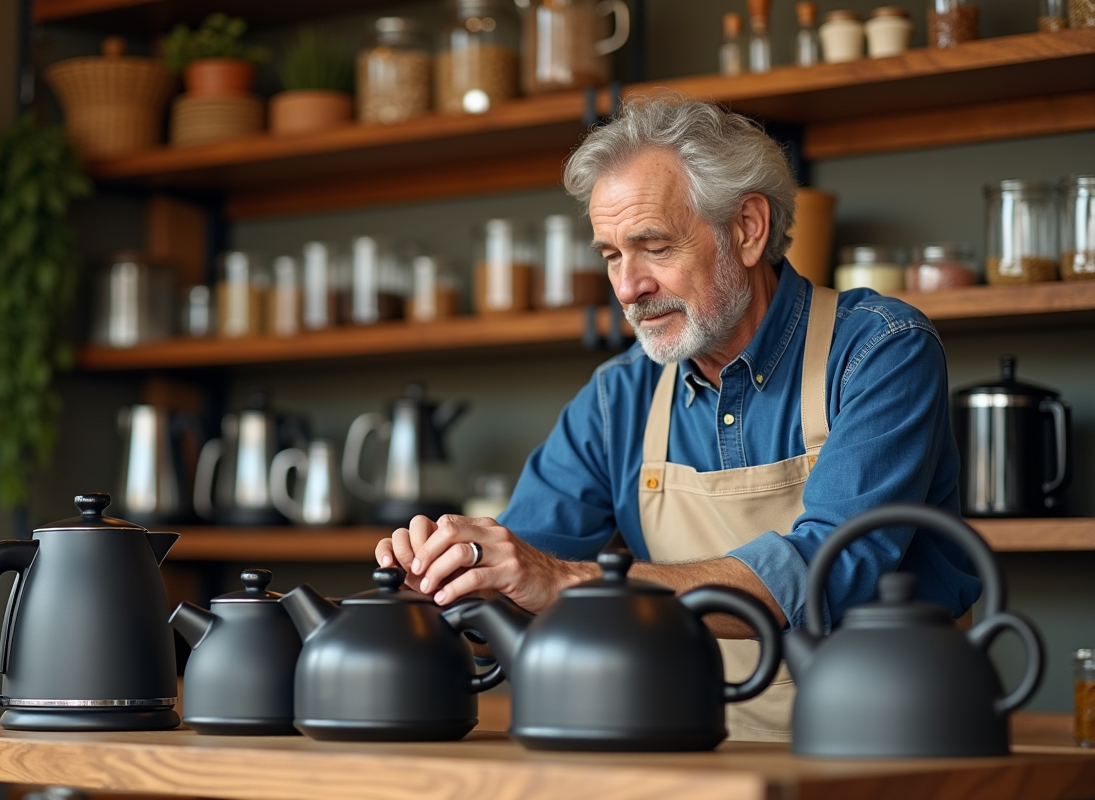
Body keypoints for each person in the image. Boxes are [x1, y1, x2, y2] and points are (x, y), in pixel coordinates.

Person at [374, 98, 981, 741]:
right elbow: (521, 588)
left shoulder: (879, 350)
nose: (628, 287)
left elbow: (825, 574)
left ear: (747, 228)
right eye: (610, 255)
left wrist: (563, 581)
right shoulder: (619, 398)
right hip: (694, 750)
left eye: (654, 246)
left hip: (889, 745)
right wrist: (459, 582)